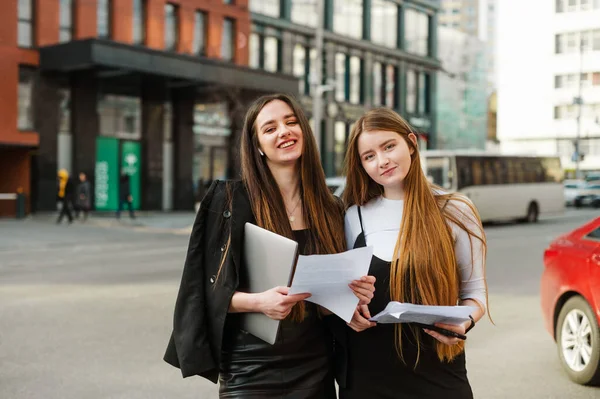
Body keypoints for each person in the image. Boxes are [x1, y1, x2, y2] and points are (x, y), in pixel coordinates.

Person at [163, 93, 375, 398]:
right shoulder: (229, 202)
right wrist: (259, 302)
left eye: (291, 122)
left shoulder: (331, 208)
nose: (284, 131)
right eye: (270, 128)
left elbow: (324, 301)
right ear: (258, 147)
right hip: (250, 368)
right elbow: (202, 294)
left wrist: (352, 297)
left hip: (316, 365)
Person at [338, 108, 489, 399]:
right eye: (369, 156)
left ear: (410, 142)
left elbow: (475, 291)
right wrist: (350, 311)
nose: (382, 161)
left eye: (388, 146)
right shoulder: (353, 216)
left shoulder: (455, 210)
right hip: (367, 379)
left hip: (438, 375)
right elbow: (344, 294)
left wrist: (465, 321)